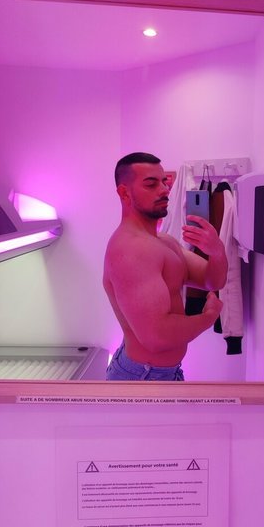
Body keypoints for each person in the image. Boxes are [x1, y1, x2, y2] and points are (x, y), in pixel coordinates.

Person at [104, 152, 228, 381]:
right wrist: (208, 317)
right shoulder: (131, 249)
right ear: (124, 193)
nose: (163, 190)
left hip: (160, 372)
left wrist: (217, 251)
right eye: (151, 184)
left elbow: (212, 280)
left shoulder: (164, 242)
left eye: (164, 182)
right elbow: (157, 338)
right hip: (142, 377)